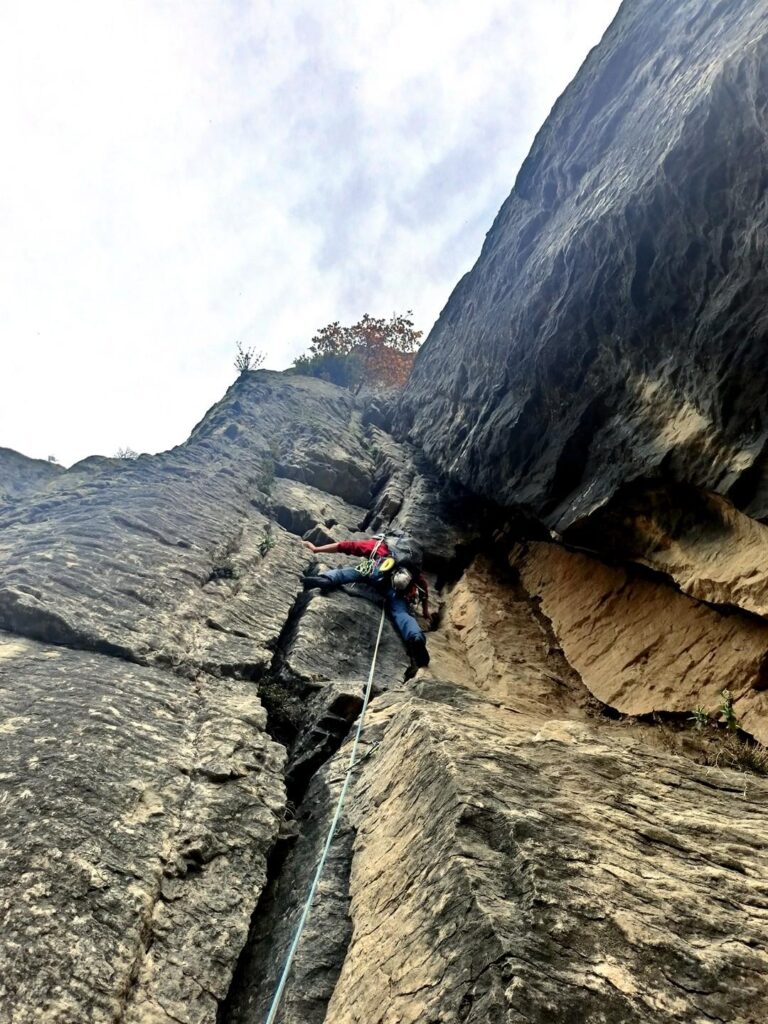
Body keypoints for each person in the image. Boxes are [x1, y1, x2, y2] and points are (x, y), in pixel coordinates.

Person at [302, 536, 432, 674]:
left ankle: (328, 579)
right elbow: (423, 588)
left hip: (375, 572)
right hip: (397, 588)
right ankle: (415, 636)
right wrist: (425, 611)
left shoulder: (378, 545)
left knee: (350, 572)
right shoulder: (411, 563)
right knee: (401, 614)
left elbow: (346, 545)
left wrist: (316, 549)